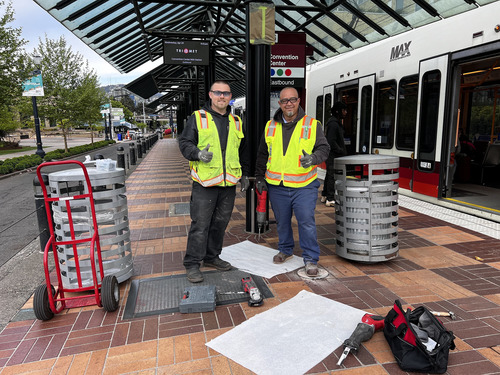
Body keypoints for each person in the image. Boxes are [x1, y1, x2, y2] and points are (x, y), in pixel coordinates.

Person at [179, 80, 250, 283]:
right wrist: (198, 154)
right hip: (205, 183)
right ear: (210, 95)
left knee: (220, 223)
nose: (222, 96)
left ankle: (212, 257)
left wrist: (244, 174)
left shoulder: (236, 121)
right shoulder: (198, 118)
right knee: (200, 225)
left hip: (228, 184)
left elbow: (242, 150)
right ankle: (192, 263)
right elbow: (184, 142)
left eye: (226, 94)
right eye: (218, 93)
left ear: (230, 97)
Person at [254, 87, 330, 276]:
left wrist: (313, 158)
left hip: (304, 186)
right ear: (279, 103)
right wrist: (259, 177)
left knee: (306, 222)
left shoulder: (312, 125)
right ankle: (286, 250)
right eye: (285, 100)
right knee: (282, 222)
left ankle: (311, 258)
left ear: (298, 102)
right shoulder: (270, 126)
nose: (289, 103)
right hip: (277, 185)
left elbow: (324, 148)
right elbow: (262, 154)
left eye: (292, 100)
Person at [321, 102, 348, 207]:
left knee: (329, 175)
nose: (345, 112)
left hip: (332, 154)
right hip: (333, 155)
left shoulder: (334, 123)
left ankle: (325, 195)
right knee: (332, 176)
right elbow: (331, 141)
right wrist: (340, 150)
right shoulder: (334, 124)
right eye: (344, 110)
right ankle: (330, 198)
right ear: (338, 111)